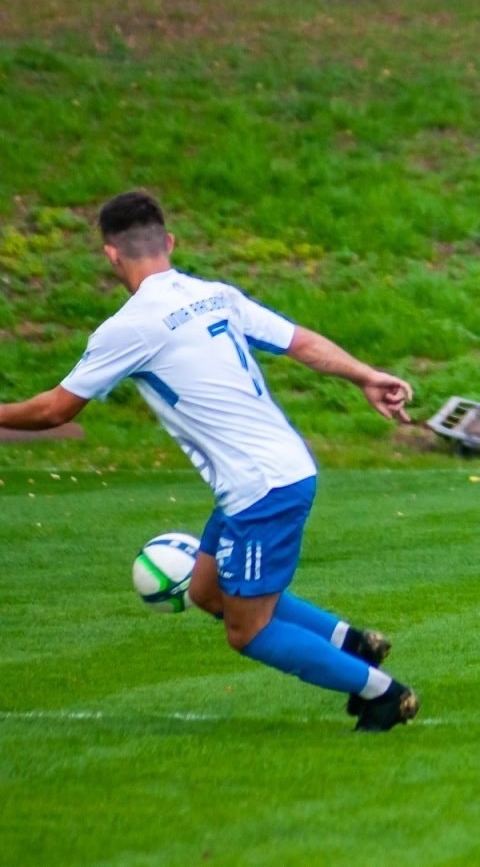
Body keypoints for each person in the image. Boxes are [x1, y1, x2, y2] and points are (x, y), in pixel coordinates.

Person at [0, 190, 420, 730]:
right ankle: (351, 642)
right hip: (268, 471)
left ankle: (383, 693)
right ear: (169, 243)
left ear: (110, 256)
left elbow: (55, 411)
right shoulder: (215, 295)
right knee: (205, 591)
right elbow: (301, 343)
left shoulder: (129, 327)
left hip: (260, 487)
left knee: (248, 631)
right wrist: (366, 375)